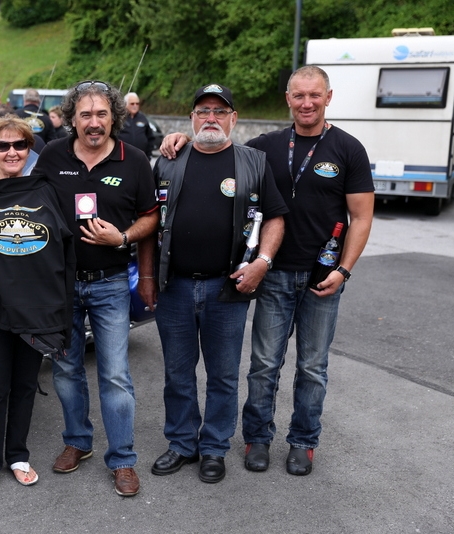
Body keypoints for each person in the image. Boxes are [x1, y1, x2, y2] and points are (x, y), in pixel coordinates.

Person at [160, 66, 374, 476]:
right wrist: (181, 138)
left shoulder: (349, 149)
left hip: (322, 276)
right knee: (262, 366)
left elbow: (362, 218)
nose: (307, 103)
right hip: (272, 276)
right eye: (299, 95)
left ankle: (303, 442)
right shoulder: (264, 147)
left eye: (315, 95)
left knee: (312, 368)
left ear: (328, 97)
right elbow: (216, 143)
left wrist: (344, 270)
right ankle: (257, 438)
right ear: (288, 99)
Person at [138, 84, 287, 484]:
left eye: (220, 111)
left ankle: (215, 448)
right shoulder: (168, 161)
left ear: (233, 119)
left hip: (228, 289)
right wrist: (147, 277)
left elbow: (274, 217)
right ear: (191, 118)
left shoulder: (254, 162)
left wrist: (262, 263)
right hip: (175, 287)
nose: (211, 118)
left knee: (223, 376)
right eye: (203, 110)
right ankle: (182, 444)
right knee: (177, 374)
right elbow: (150, 225)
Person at [33, 80, 158, 497]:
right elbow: (29, 203)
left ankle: (122, 459)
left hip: (110, 283)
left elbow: (150, 217)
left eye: (101, 113)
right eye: (85, 114)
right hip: (60, 284)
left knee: (115, 374)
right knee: (66, 369)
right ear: (72, 118)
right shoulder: (53, 155)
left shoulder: (133, 159)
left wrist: (121, 238)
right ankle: (77, 441)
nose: (93, 122)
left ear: (114, 117)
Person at [0, 116, 76, 491]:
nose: (11, 152)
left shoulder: (45, 191)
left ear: (28, 149)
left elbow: (62, 247)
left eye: (19, 145)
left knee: (24, 386)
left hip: (36, 308)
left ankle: (18, 456)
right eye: (2, 146)